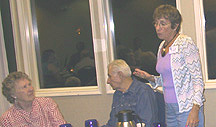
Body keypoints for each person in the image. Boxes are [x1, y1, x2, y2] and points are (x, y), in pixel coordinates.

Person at [133, 4, 205, 127]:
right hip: (169, 108)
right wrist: (149, 77)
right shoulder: (162, 46)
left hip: (187, 108)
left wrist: (195, 110)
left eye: (162, 24)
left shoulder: (185, 43)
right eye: (156, 23)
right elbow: (170, 80)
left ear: (175, 26)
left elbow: (197, 80)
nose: (157, 28)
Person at [102, 59, 158, 127]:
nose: (108, 81)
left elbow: (147, 124)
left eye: (110, 76)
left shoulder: (143, 92)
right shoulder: (118, 94)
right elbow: (112, 124)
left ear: (120, 75)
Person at [0, 71, 67, 127]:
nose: (31, 89)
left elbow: (60, 124)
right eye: (24, 87)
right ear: (13, 94)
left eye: (29, 84)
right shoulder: (7, 119)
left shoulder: (47, 103)